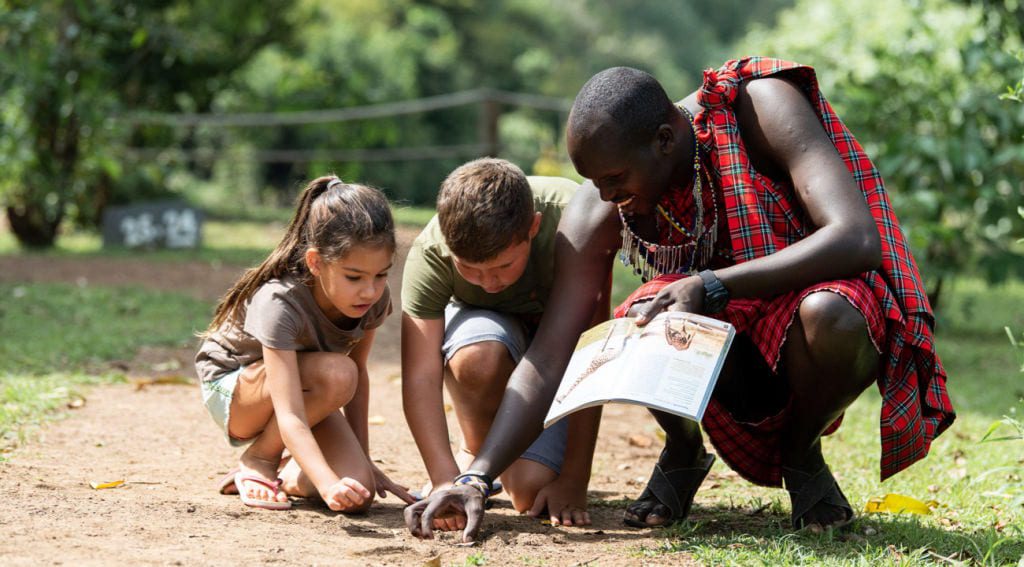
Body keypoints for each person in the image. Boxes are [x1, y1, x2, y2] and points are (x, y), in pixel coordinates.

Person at [404, 57, 955, 541]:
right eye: (592, 182)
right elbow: (549, 356)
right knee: (642, 320)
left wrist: (715, 284)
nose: (606, 197)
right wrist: (476, 475)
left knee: (830, 315)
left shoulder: (758, 106)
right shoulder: (600, 209)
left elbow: (855, 237)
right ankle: (683, 451)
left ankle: (802, 456)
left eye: (615, 177)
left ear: (664, 140)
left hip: (814, 303)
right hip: (729, 335)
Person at [401, 158, 608, 530]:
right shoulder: (432, 251)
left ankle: (496, 467)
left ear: (533, 228)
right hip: (487, 335)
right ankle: (477, 458)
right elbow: (419, 374)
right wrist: (442, 477)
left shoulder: (576, 222)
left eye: (502, 266)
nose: (489, 283)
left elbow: (591, 350)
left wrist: (576, 478)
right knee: (477, 359)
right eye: (469, 269)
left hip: (559, 349)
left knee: (530, 492)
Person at [195, 176, 414, 512]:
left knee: (359, 493)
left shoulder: (372, 301)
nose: (370, 291)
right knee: (339, 374)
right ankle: (259, 460)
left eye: (381, 275)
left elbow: (360, 376)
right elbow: (292, 413)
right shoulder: (279, 301)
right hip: (234, 389)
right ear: (315, 262)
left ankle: (289, 473)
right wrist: (327, 483)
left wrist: (362, 462)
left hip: (310, 388)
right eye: (354, 277)